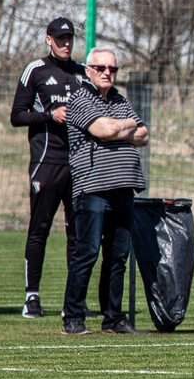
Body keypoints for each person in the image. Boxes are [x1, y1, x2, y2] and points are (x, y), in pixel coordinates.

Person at [61, 49, 149, 335]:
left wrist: (118, 128)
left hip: (124, 188)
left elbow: (144, 135)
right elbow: (102, 129)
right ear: (88, 70)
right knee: (87, 252)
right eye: (100, 67)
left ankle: (112, 319)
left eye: (112, 68)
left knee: (117, 257)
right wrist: (127, 126)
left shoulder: (120, 99)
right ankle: (73, 318)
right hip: (92, 189)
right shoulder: (80, 99)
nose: (107, 72)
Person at [10, 17, 88, 319]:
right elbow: (17, 116)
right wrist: (49, 115)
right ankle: (32, 297)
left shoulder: (82, 73)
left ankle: (75, 302)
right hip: (47, 163)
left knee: (78, 234)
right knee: (39, 229)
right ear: (48, 40)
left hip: (79, 166)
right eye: (60, 38)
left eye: (69, 38)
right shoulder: (36, 71)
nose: (66, 43)